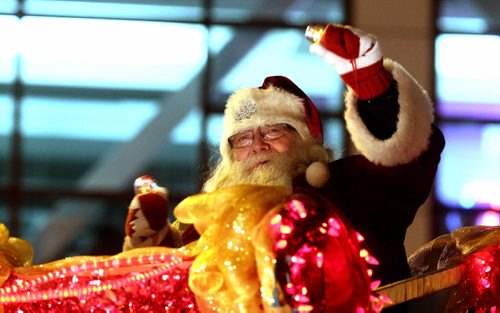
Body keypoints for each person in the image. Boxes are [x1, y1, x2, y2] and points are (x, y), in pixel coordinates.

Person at [123, 23, 445, 310]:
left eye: (274, 131)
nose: (259, 144)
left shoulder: (350, 189)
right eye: (243, 139)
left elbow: (413, 155)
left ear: (305, 141)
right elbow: (175, 295)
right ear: (230, 155)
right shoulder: (204, 225)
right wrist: (152, 245)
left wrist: (372, 83)